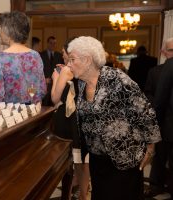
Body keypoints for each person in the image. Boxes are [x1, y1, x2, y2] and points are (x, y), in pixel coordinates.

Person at [67, 36, 161, 200]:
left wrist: (151, 148)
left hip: (124, 159)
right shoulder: (82, 83)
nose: (69, 64)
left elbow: (145, 111)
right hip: (98, 159)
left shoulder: (117, 79)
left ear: (88, 60)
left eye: (72, 59)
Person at [51, 38, 90, 200]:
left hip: (67, 121)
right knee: (83, 160)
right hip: (82, 117)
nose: (62, 56)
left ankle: (66, 194)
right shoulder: (86, 68)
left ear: (69, 53)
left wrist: (55, 78)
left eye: (63, 53)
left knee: (66, 162)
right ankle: (83, 194)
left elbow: (54, 98)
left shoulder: (65, 71)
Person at [0, 11, 46, 103]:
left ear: (7, 30)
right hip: (34, 111)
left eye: (0, 28)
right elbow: (42, 90)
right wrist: (30, 98)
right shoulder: (35, 55)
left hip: (10, 113)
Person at [153, 37, 173, 199]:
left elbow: (160, 98)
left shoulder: (169, 65)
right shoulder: (167, 66)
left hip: (168, 124)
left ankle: (160, 185)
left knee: (164, 157)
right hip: (168, 123)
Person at [41, 36, 64, 106]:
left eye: (54, 43)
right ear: (47, 43)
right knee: (44, 104)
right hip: (45, 83)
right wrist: (44, 79)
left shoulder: (59, 55)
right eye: (51, 43)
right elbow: (40, 69)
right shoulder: (41, 54)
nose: (52, 45)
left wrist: (57, 77)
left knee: (54, 105)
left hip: (55, 83)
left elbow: (60, 67)